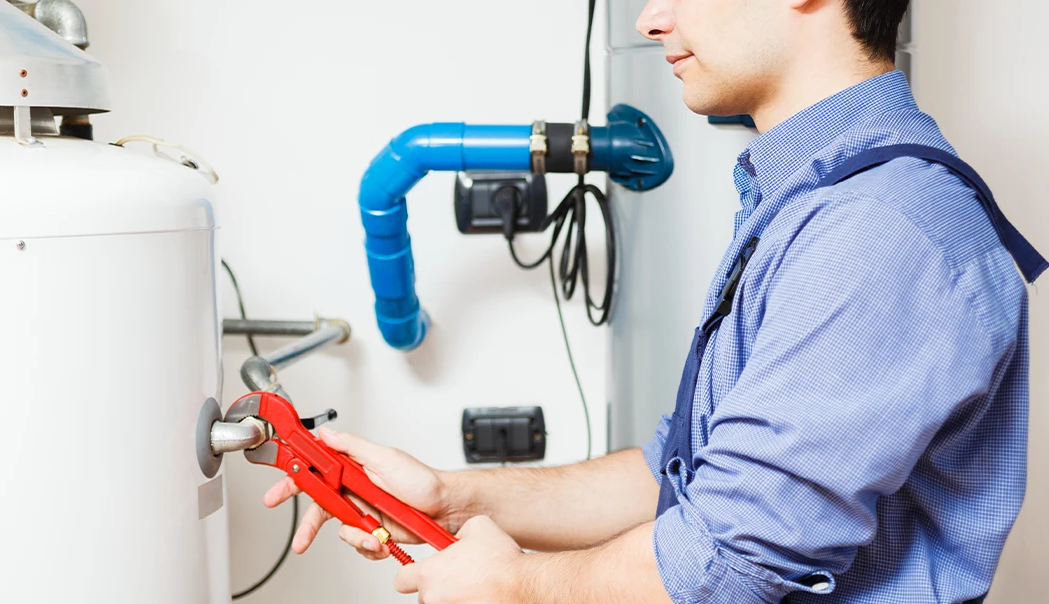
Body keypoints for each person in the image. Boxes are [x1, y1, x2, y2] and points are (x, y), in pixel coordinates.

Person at [265, 0, 1045, 602]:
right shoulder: (810, 200)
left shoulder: (876, 230)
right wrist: (452, 498)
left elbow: (727, 561)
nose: (649, 19)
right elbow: (681, 473)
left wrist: (519, 584)